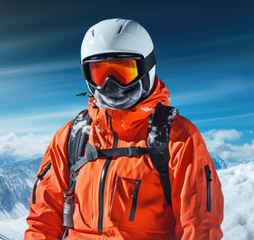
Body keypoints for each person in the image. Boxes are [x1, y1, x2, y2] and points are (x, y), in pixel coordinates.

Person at [25, 18, 224, 240]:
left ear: (146, 68)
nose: (111, 86)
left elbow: (199, 228)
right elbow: (43, 220)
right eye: (100, 73)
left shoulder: (177, 138)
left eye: (123, 71)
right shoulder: (72, 136)